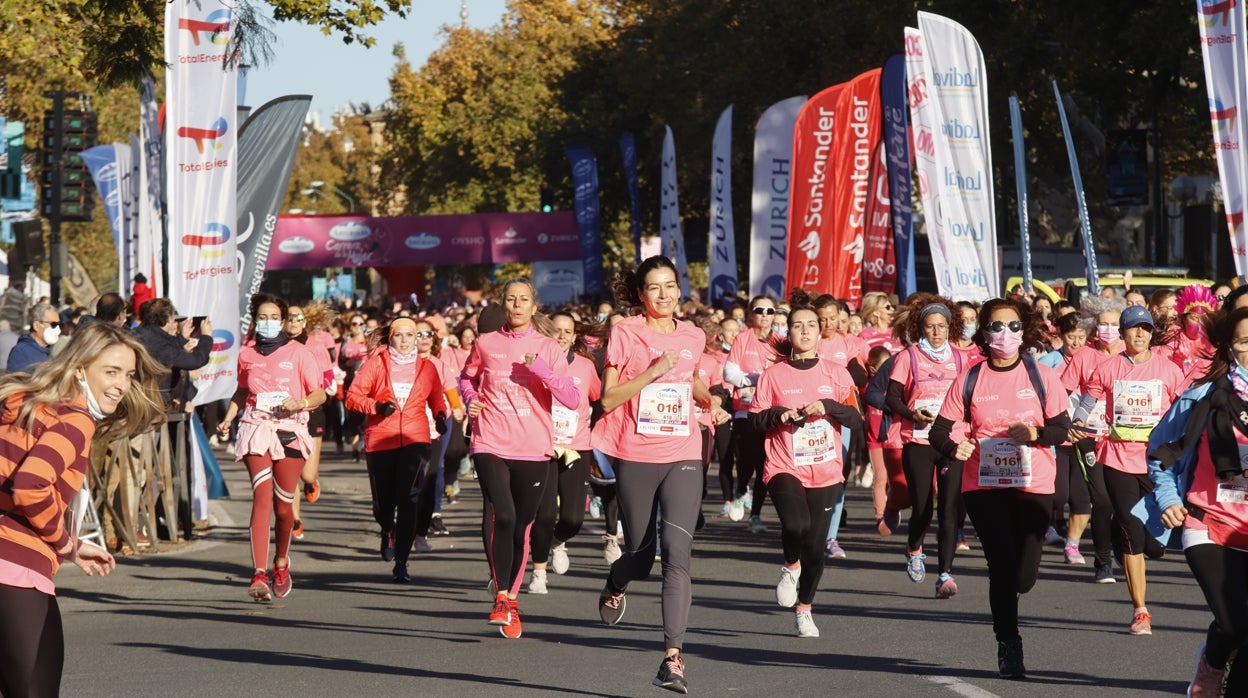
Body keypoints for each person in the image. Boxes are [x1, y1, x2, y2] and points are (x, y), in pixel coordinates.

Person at [0, 322, 164, 696]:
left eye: (128, 374)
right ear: (79, 369)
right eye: (110, 371)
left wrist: (70, 545)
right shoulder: (74, 420)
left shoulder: (27, 407)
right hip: (16, 569)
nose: (122, 384)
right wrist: (64, 543)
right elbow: (30, 485)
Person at [591, 255, 729, 694]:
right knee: (642, 555)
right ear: (641, 294)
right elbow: (610, 399)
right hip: (636, 453)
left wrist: (710, 400)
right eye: (655, 287)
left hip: (684, 450)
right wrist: (652, 372)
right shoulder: (625, 332)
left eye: (670, 285)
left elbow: (691, 380)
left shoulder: (692, 334)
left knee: (676, 552)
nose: (665, 294)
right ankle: (617, 579)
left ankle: (672, 659)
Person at [929, 298, 1072, 679]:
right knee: (1002, 565)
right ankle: (1008, 643)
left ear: (1023, 331)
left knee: (1023, 576)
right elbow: (939, 430)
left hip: (1034, 483)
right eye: (996, 326)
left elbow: (1062, 428)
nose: (1004, 334)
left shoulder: (1042, 376)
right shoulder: (970, 378)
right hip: (984, 484)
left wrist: (1036, 433)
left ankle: (1011, 602)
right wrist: (951, 446)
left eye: (1012, 326)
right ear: (984, 332)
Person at [459, 278, 578, 640]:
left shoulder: (548, 347)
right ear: (503, 306)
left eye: (523, 299)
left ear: (533, 306)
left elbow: (571, 398)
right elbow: (466, 378)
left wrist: (541, 368)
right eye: (511, 299)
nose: (516, 305)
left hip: (533, 446)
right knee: (504, 515)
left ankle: (512, 599)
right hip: (490, 440)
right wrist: (470, 399)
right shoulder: (486, 343)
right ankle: (500, 597)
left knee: (523, 524)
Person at [1147, 306, 1248, 695]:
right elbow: (1160, 451)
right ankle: (1211, 662)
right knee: (1238, 622)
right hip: (1208, 521)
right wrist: (1169, 497)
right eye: (1244, 341)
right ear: (1228, 348)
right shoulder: (1204, 397)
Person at [750, 295, 861, 637]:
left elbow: (855, 418)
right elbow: (755, 420)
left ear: (820, 331)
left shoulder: (836, 373)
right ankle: (789, 565)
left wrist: (826, 405)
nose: (805, 330)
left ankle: (805, 608)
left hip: (825, 467)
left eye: (811, 324)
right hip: (784, 463)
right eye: (797, 325)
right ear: (789, 332)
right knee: (795, 524)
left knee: (816, 544)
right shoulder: (773, 375)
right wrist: (778, 415)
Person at [1075, 305, 1184, 635]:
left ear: (1152, 333)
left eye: (1146, 329)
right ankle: (1141, 611)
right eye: (1133, 328)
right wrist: (1078, 422)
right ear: (1122, 334)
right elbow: (1087, 403)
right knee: (1131, 534)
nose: (1140, 334)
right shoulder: (1107, 368)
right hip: (1118, 461)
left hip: (1157, 465)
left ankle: (1150, 546)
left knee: (1156, 546)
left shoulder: (1169, 371)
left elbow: (1184, 413)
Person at [218, 293, 327, 602]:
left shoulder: (300, 353)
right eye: (261, 318)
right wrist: (228, 419)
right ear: (255, 321)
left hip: (290, 430)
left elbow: (320, 394)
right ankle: (258, 573)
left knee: (283, 508)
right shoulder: (246, 354)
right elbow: (242, 391)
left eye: (273, 318)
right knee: (262, 496)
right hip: (256, 428)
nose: (267, 323)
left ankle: (281, 561)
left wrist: (301, 402)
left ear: (282, 322)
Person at [346, 317, 448, 583]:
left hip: (416, 439)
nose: (404, 340)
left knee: (410, 499)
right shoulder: (377, 364)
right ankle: (386, 528)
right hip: (381, 439)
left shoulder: (427, 368)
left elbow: (438, 398)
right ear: (390, 338)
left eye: (409, 335)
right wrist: (377, 408)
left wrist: (439, 415)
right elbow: (353, 396)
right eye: (399, 335)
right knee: (383, 505)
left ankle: (402, 563)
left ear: (416, 338)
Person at [886, 295, 967, 597]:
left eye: (942, 326)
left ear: (950, 328)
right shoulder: (907, 357)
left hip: (951, 440)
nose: (936, 332)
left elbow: (969, 397)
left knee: (949, 509)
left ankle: (945, 573)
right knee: (923, 508)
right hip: (918, 439)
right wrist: (912, 413)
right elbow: (891, 397)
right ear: (921, 328)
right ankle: (914, 547)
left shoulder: (961, 358)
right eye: (930, 327)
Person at [527, 312, 601, 594]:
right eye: (557, 330)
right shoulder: (535, 363)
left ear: (574, 336)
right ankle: (539, 573)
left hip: (576, 445)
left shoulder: (584, 366)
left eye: (568, 331)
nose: (562, 335)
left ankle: (558, 541)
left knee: (573, 518)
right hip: (542, 446)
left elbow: (601, 398)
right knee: (544, 514)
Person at [1037, 312, 1094, 565]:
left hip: (1086, 438)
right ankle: (1047, 525)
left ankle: (1073, 545)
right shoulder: (1049, 361)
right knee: (1058, 495)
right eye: (1072, 336)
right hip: (1057, 439)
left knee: (1083, 499)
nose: (1077, 342)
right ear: (1061, 336)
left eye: (1082, 337)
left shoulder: (1094, 359)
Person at [723, 294, 782, 532]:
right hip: (744, 410)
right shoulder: (743, 338)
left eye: (770, 311)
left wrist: (766, 381)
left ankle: (755, 515)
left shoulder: (780, 341)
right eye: (760, 310)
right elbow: (729, 372)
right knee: (747, 460)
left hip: (768, 412)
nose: (765, 316)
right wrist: (755, 378)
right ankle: (740, 491)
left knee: (764, 463)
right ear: (751, 314)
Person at [7, 303, 63, 373]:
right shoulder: (21, 352)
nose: (58, 329)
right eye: (53, 324)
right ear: (36, 326)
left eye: (59, 324)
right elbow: (16, 381)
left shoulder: (48, 351)